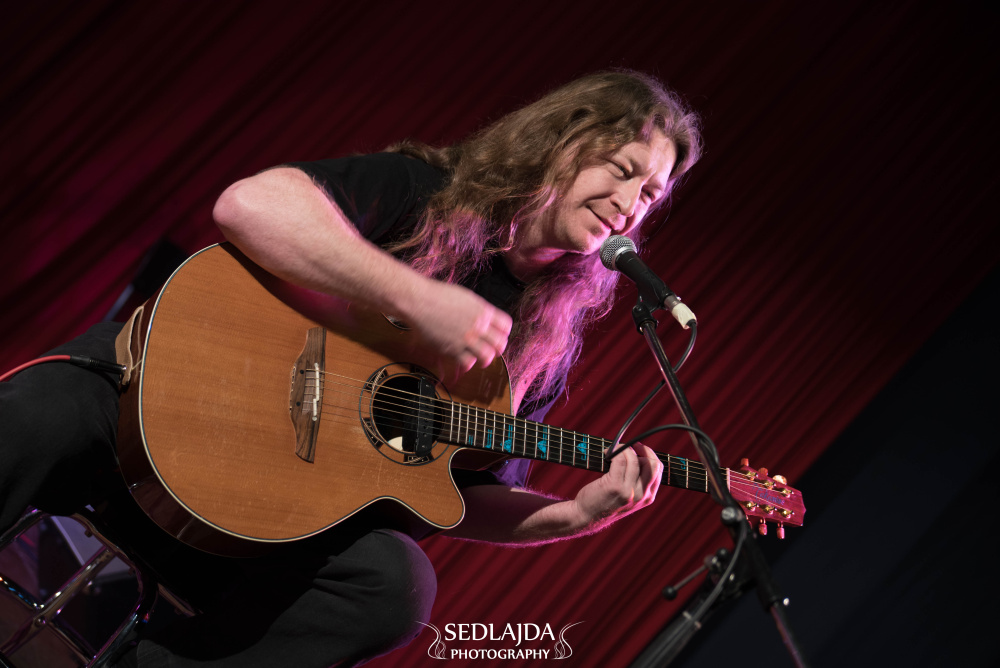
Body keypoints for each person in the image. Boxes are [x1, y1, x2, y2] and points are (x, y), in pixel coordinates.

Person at [0, 70, 701, 667]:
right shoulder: (425, 191)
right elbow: (249, 205)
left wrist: (575, 514)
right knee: (40, 410)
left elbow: (464, 493)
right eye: (623, 169)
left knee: (394, 586)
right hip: (155, 411)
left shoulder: (540, 346)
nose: (630, 203)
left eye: (650, 194)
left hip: (264, 520)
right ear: (564, 141)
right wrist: (415, 299)